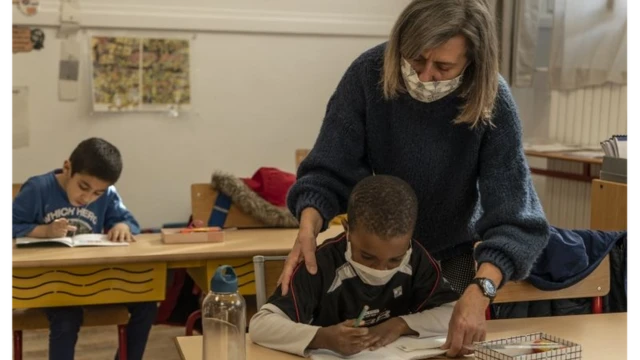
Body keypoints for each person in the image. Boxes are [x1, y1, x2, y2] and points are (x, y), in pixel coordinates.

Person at [279, 0, 551, 357]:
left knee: (442, 346)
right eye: (415, 60)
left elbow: (515, 217)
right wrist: (308, 227)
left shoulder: (493, 100)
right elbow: (328, 169)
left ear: (472, 62)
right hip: (375, 257)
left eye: (442, 66)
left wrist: (481, 289)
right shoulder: (367, 74)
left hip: (450, 260)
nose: (424, 77)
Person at [250, 175, 459, 357]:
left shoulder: (415, 258)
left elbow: (455, 312)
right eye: (367, 257)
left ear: (410, 239)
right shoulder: (320, 263)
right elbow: (261, 325)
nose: (381, 270)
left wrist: (400, 325)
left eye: (395, 260)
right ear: (347, 230)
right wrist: (323, 338)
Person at [8, 137, 157, 360]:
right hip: (49, 284)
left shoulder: (108, 193)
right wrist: (44, 232)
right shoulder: (38, 189)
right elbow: (10, 225)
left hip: (93, 279)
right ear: (68, 168)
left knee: (146, 303)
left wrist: (121, 226)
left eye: (97, 193)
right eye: (83, 187)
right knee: (67, 317)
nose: (87, 198)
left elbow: (130, 222)